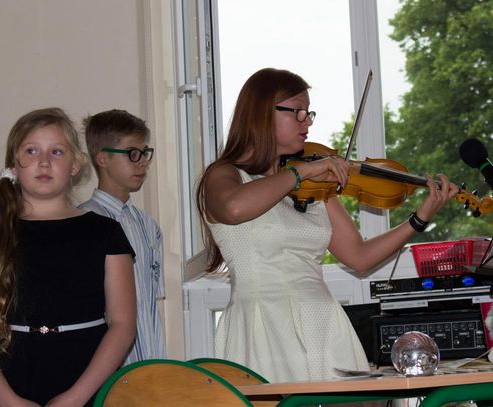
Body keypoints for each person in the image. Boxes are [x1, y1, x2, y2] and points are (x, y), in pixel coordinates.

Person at [195, 68, 459, 383]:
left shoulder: (315, 184)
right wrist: (301, 174)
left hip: (322, 322)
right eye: (298, 112)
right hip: (261, 326)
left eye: (309, 113)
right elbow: (234, 207)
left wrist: (420, 217)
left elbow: (359, 257)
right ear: (262, 112)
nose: (307, 122)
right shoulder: (225, 175)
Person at [0, 107, 136, 406]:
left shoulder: (106, 233)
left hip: (86, 382)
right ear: (14, 166)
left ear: (75, 165)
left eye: (56, 152)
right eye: (31, 150)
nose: (44, 161)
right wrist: (8, 400)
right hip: (3, 384)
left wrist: (76, 398)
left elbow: (122, 325)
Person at [79, 109, 166, 364]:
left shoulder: (149, 226)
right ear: (103, 158)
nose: (143, 162)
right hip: (107, 370)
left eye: (145, 153)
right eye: (132, 154)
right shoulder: (83, 223)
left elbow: (149, 305)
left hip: (150, 366)